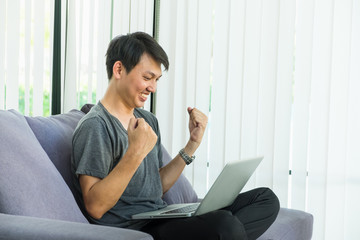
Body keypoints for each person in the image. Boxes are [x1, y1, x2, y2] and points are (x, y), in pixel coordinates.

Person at [71, 32, 280, 240]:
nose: (152, 87)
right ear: (119, 69)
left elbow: (156, 187)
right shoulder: (95, 126)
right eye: (147, 77)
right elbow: (95, 206)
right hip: (135, 229)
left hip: (161, 218)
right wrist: (134, 152)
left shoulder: (147, 120)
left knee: (265, 199)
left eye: (156, 79)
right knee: (225, 225)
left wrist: (192, 145)